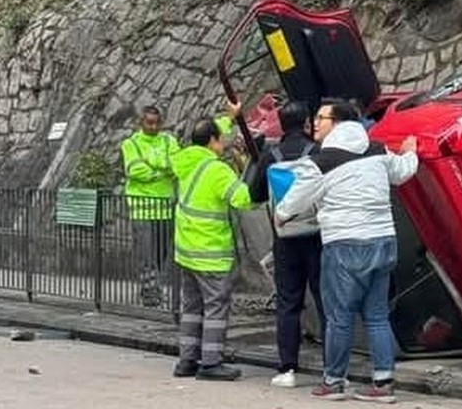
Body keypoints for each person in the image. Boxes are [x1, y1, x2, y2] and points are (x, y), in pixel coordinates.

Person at [276, 103, 419, 403]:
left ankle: (334, 381)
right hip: (382, 240)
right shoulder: (378, 150)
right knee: (378, 316)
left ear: (338, 122)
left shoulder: (321, 161)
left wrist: (281, 214)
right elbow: (404, 172)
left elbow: (294, 201)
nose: (315, 123)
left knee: (340, 316)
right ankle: (383, 383)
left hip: (344, 243)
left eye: (321, 118)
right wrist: (411, 151)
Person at [172, 107, 252, 381]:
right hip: (211, 252)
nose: (224, 143)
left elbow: (206, 131)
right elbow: (243, 199)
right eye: (221, 138)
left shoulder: (183, 160)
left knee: (192, 308)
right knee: (216, 308)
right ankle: (211, 363)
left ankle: (187, 361)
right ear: (213, 142)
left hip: (186, 250)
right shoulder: (218, 171)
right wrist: (247, 168)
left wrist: (229, 118)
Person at [247, 100, 321, 387]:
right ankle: (333, 367)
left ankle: (287, 368)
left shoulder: (271, 155)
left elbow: (255, 195)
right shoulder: (316, 152)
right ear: (306, 123)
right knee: (325, 299)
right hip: (316, 236)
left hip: (284, 238)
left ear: (281, 124)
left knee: (288, 303)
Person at [121, 105, 180, 308]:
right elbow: (135, 170)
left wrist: (154, 165)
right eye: (149, 123)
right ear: (141, 123)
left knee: (161, 254)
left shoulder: (168, 140)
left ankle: (152, 287)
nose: (153, 127)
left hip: (165, 207)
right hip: (142, 208)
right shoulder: (131, 143)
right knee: (146, 255)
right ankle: (151, 293)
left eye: (156, 123)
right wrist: (161, 170)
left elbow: (176, 164)